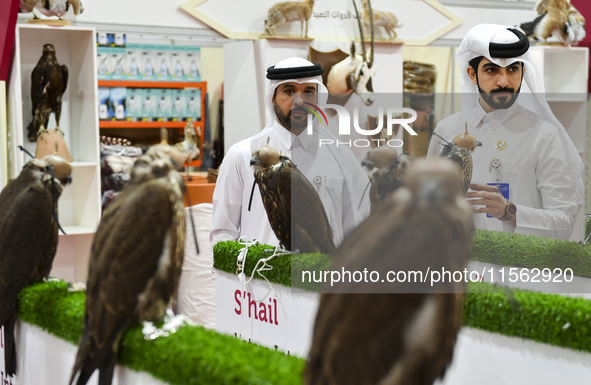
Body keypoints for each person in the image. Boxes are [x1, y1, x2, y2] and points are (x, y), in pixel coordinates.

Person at [427, 24, 584, 240]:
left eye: (512, 70)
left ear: (523, 72)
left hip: (517, 271)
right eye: (491, 70)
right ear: (473, 74)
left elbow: (564, 222)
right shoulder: (447, 130)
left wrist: (510, 211)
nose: (504, 81)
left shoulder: (544, 136)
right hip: (457, 267)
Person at [210, 57, 370, 247]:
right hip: (260, 276)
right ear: (273, 96)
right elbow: (222, 235)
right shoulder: (241, 156)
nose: (299, 100)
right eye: (289, 91)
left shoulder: (341, 157)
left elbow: (357, 231)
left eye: (309, 92)